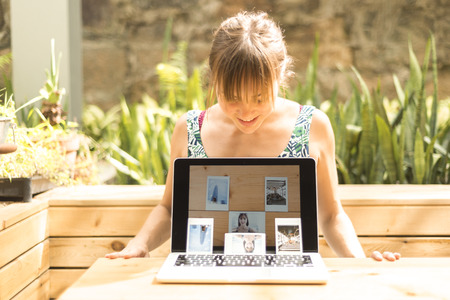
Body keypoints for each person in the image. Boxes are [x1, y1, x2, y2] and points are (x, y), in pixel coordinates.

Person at [106, 11, 400, 262]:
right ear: (214, 77)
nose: (246, 111)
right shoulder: (189, 128)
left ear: (281, 74)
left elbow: (331, 215)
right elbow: (170, 209)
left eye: (259, 97)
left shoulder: (313, 126)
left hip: (288, 275)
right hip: (205, 276)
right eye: (232, 96)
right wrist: (140, 244)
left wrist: (360, 262)